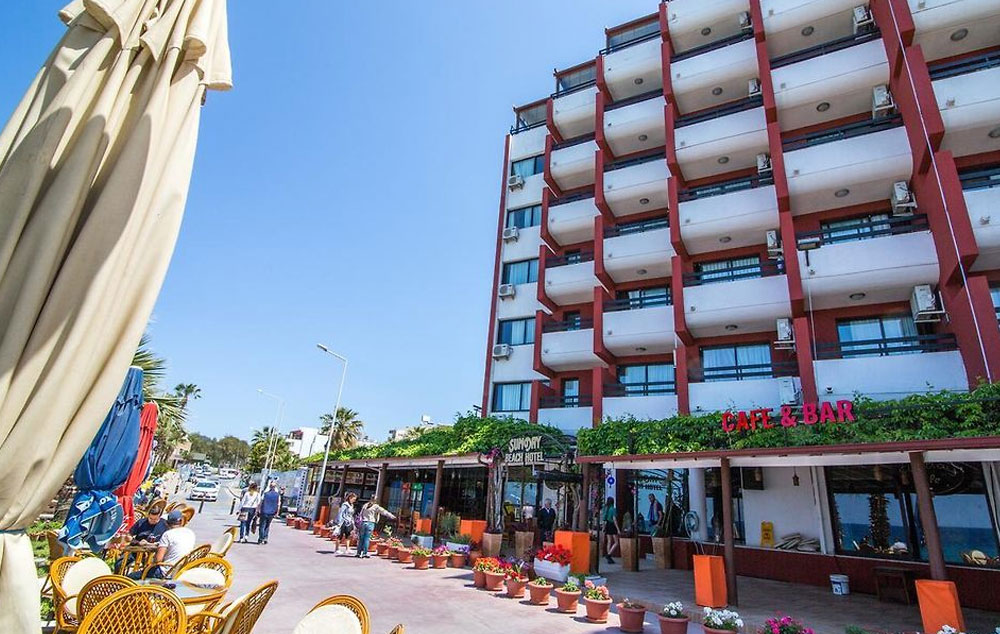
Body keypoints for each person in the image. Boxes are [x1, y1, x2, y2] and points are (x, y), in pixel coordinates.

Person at [129, 510, 195, 579]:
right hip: (181, 571)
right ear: (181, 521)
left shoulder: (167, 534)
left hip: (166, 572)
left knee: (132, 576)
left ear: (167, 523)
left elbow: (158, 560)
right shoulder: (190, 533)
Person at [603, 497, 621, 564]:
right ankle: (609, 554)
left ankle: (609, 557)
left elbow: (604, 519)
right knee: (616, 542)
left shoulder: (606, 509)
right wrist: (618, 529)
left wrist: (603, 527)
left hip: (607, 525)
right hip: (612, 525)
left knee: (609, 541)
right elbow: (614, 519)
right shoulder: (613, 509)